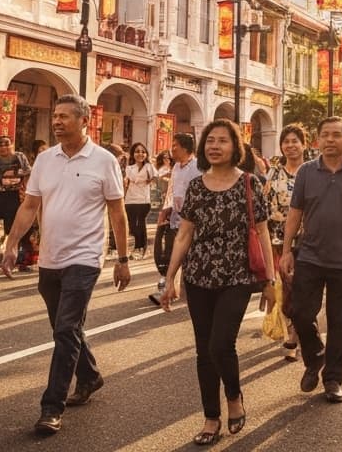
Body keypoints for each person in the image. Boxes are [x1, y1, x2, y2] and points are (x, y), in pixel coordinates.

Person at [0, 94, 130, 437]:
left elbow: (117, 211)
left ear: (84, 120)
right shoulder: (44, 160)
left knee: (65, 328)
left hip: (85, 258)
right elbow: (29, 206)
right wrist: (11, 244)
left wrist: (122, 258)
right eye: (54, 116)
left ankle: (51, 407)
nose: (56, 122)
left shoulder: (103, 161)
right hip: (50, 257)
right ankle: (89, 375)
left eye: (64, 117)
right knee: (66, 328)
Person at [159, 120, 275, 445]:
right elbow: (184, 235)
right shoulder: (196, 186)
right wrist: (170, 278)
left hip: (236, 276)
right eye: (210, 141)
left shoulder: (250, 184)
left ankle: (234, 397)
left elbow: (263, 232)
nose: (215, 146)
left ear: (235, 147)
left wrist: (269, 278)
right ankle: (211, 416)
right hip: (199, 276)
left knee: (221, 344)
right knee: (203, 351)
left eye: (222, 141)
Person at [280, 117, 342, 404]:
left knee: (339, 322)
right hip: (309, 255)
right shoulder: (307, 172)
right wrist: (286, 251)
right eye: (325, 135)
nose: (330, 140)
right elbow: (295, 213)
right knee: (299, 312)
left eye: (336, 135)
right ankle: (314, 357)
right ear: (317, 140)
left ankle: (333, 379)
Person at [266, 125, 306, 361]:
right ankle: (292, 333)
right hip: (279, 240)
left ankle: (301, 330)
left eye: (295, 141)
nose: (290, 145)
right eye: (286, 141)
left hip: (308, 240)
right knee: (287, 288)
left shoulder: (312, 172)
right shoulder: (273, 174)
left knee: (303, 290)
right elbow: (265, 206)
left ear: (303, 144)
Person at [152, 133, 198, 306]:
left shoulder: (198, 167)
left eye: (175, 146)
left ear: (185, 148)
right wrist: (165, 210)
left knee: (189, 256)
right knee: (173, 254)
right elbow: (171, 192)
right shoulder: (177, 168)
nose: (172, 149)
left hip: (192, 221)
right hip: (175, 218)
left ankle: (186, 291)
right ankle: (170, 287)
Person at [0, 136, 31, 267]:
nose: (3, 147)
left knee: (23, 224)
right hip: (4, 196)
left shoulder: (20, 157)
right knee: (9, 226)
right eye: (0, 145)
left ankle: (24, 255)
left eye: (6, 144)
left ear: (12, 145)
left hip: (19, 194)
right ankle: (12, 253)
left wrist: (27, 189)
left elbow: (28, 172)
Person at [123, 142, 158, 261]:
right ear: (133, 154)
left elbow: (156, 177)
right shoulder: (129, 168)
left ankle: (140, 248)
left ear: (146, 154)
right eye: (137, 151)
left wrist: (150, 180)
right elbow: (129, 180)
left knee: (141, 224)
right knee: (132, 225)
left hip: (144, 200)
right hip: (130, 199)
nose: (140, 154)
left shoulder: (149, 166)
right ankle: (138, 247)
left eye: (143, 152)